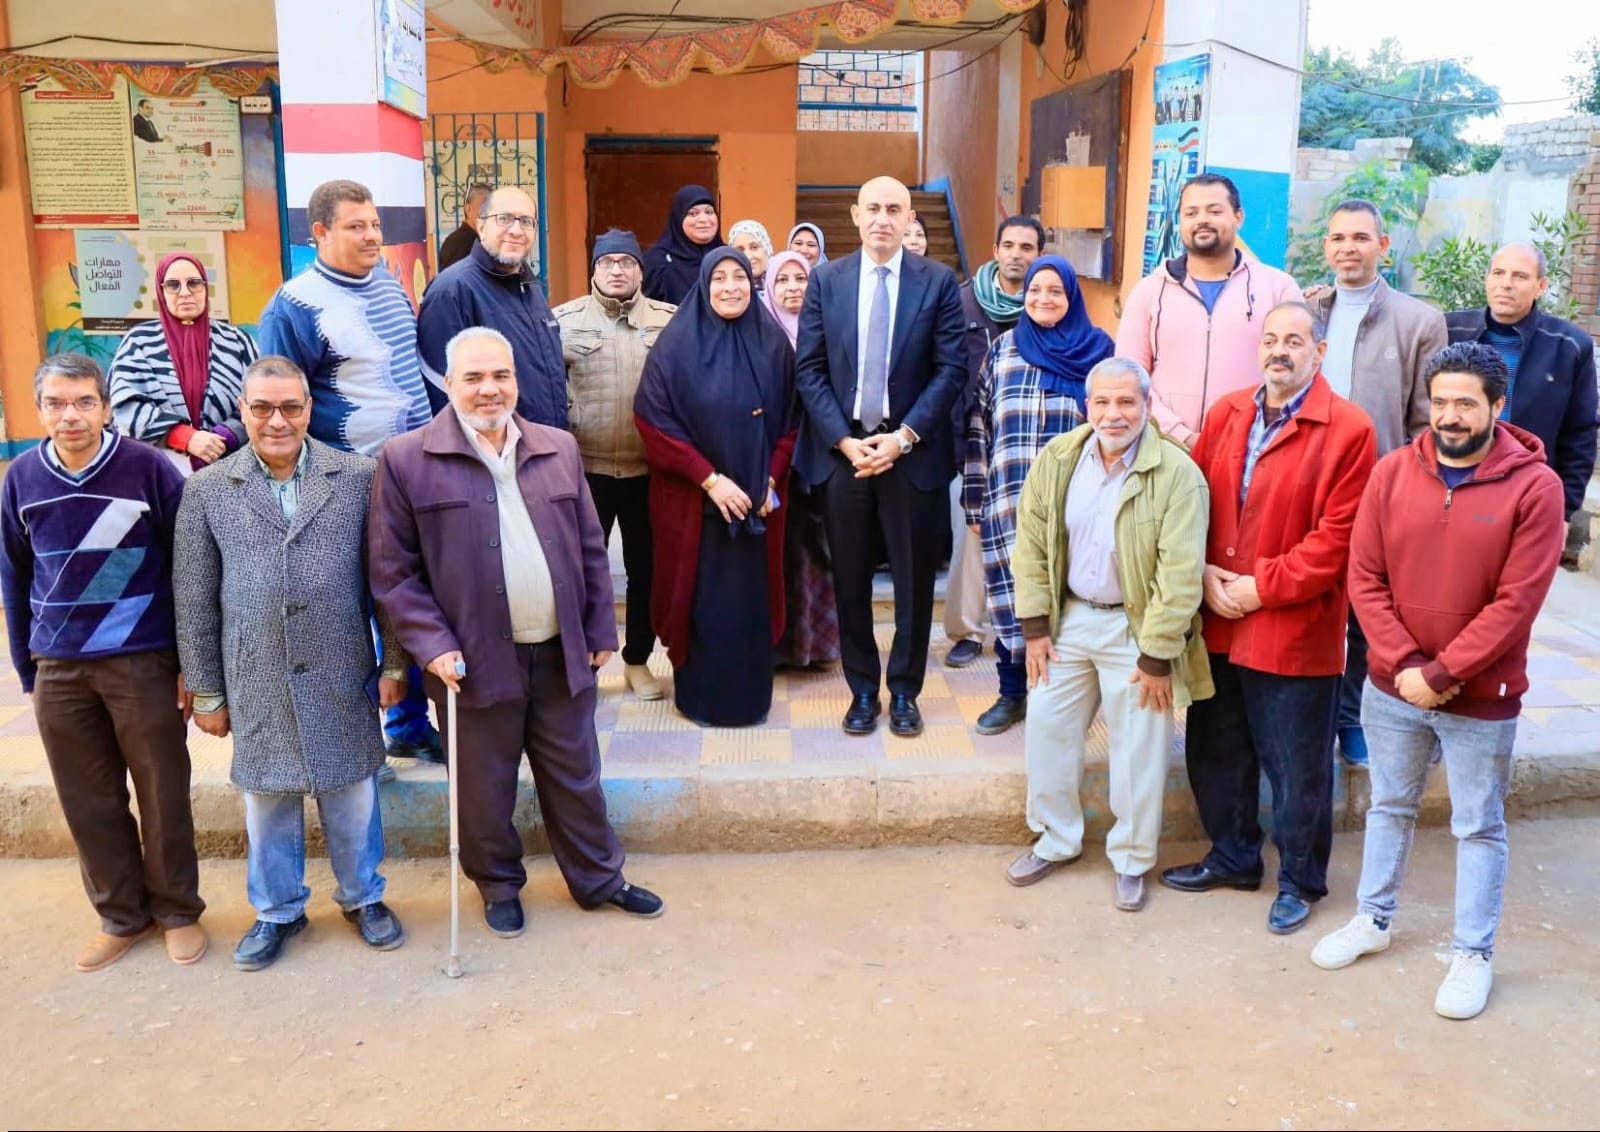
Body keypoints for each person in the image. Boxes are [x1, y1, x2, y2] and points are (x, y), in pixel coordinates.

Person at [369, 327, 663, 937]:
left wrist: (599, 627)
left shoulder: (558, 447)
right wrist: (433, 645)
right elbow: (394, 574)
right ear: (447, 383)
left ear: (517, 381)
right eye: (473, 377)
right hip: (469, 662)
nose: (489, 389)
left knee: (576, 775)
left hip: (560, 652)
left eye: (500, 375)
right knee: (483, 787)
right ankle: (498, 885)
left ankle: (599, 878)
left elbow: (590, 547)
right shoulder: (406, 460)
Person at [1311, 343, 1565, 1021]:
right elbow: (1365, 577)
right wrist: (1405, 666)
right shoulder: (1392, 472)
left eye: (1466, 403)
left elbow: (1517, 602)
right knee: (1389, 806)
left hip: (1481, 695)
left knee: (1478, 825)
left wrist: (1444, 673)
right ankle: (1373, 919)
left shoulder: (1536, 488)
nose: (1450, 416)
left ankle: (1473, 953)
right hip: (1393, 688)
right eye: (1441, 401)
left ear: (1498, 406)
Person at [173, 356, 408, 972]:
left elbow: (387, 581)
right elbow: (194, 598)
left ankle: (364, 897)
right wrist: (206, 692)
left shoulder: (357, 478)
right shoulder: (207, 490)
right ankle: (277, 910)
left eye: (290, 407)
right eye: (262, 408)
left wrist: (395, 664)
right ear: (243, 411)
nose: (276, 421)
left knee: (353, 791)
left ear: (308, 408)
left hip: (342, 670)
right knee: (267, 799)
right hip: (255, 674)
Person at [1160, 302, 1376, 936]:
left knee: (1296, 765)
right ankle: (1233, 857)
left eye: (1295, 341)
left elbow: (1338, 539)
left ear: (1320, 352)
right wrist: (1202, 572)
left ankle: (1301, 881)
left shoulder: (1349, 429)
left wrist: (1262, 588)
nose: (1280, 350)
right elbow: (1194, 500)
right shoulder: (1227, 412)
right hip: (1220, 614)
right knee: (1217, 749)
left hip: (1293, 623)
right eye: (1271, 339)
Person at [0, 353, 205, 972]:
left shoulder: (147, 468)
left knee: (163, 791)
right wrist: (29, 670)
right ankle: (122, 915)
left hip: (140, 660)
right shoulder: (21, 479)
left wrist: (188, 662)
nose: (71, 416)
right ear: (40, 411)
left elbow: (188, 566)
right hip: (59, 665)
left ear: (107, 408)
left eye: (84, 402)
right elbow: (14, 576)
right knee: (87, 799)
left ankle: (177, 911)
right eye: (57, 404)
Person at [1007, 358, 1211, 911]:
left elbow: (1181, 574)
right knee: (1046, 726)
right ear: (1087, 406)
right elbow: (1031, 544)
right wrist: (1035, 627)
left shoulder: (1177, 472)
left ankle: (1132, 859)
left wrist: (1157, 655)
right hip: (1070, 620)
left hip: (1136, 627)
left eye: (1126, 402)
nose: (1113, 414)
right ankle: (1055, 840)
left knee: (1139, 748)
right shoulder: (1059, 458)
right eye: (1102, 402)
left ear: (1146, 405)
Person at [259, 178, 439, 764]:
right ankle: (361, 739)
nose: (372, 236)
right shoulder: (294, 306)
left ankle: (412, 724)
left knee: (413, 596)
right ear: (319, 232)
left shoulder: (388, 282)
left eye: (375, 225)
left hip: (413, 475)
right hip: (345, 484)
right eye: (356, 226)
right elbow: (280, 405)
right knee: (353, 609)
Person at [794, 176, 967, 737]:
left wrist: (904, 437)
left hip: (909, 456)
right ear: (855, 214)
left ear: (910, 217)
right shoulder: (827, 280)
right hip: (846, 453)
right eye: (873, 208)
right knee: (850, 581)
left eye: (894, 209)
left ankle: (906, 691)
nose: (882, 219)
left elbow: (951, 370)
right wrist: (843, 441)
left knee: (914, 585)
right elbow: (809, 369)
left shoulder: (938, 282)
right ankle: (863, 690)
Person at [1306, 199, 1448, 768]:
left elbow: (1426, 421)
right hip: (1306, 483)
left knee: (1369, 611)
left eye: (1361, 238)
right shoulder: (1306, 311)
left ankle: (1352, 718)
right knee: (1312, 605)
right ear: (1326, 246)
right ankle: (1311, 719)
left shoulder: (1419, 321)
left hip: (1381, 488)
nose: (1348, 248)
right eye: (1338, 238)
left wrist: (1415, 490)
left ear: (1382, 246)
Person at [635, 248, 798, 726]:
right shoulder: (675, 346)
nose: (730, 287)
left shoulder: (773, 344)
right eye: (719, 278)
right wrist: (710, 479)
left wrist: (769, 478)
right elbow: (653, 420)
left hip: (758, 507)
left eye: (739, 277)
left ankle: (751, 700)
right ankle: (700, 700)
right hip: (695, 508)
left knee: (750, 608)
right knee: (702, 606)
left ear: (752, 284)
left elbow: (793, 420)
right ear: (703, 286)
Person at [963, 256, 1112, 735]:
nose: (1043, 299)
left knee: (1068, 600)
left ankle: (1059, 698)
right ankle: (1011, 694)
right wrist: (973, 498)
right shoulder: (1003, 350)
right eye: (1034, 290)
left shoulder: (1099, 353)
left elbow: (1114, 430)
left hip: (1076, 509)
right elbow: (979, 425)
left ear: (1072, 297)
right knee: (1012, 596)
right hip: (1008, 501)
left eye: (1055, 291)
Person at [553, 229, 677, 701]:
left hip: (649, 471)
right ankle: (583, 661)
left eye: (627, 262)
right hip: (587, 470)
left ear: (641, 271)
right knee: (583, 571)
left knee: (647, 570)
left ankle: (638, 661)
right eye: (607, 263)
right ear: (594, 270)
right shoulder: (564, 321)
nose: (617, 270)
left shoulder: (669, 320)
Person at [1115, 173, 1302, 448]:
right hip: (1165, 448)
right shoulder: (1150, 291)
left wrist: (1258, 432)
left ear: (1238, 217)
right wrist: (1179, 435)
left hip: (1252, 447)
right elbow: (1129, 375)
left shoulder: (1277, 288)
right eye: (1191, 213)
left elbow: (1298, 371)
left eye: (1214, 211)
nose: (1202, 220)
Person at [1446, 242, 1597, 568]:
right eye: (1498, 273)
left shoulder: (1569, 346)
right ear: (1486, 278)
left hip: (1525, 496)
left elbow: (1580, 434)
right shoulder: (1450, 330)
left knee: (1515, 587)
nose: (1506, 284)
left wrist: (1565, 511)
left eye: (1520, 276)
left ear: (1541, 286)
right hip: (1452, 485)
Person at [946, 216, 1045, 671]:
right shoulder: (962, 301)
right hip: (971, 442)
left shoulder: (1046, 303)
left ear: (1039, 255)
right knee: (971, 538)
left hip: (1030, 440)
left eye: (1027, 247)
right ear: (995, 250)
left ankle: (1026, 629)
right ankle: (967, 631)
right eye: (1009, 245)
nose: (1016, 255)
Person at [418, 185, 568, 428]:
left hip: (542, 443)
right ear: (480, 226)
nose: (516, 230)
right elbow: (442, 392)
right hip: (494, 447)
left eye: (526, 221)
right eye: (504, 219)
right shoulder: (452, 291)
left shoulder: (530, 286)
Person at [109, 252, 259, 473]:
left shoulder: (237, 342)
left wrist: (224, 437)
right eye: (173, 285)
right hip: (158, 472)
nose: (185, 292)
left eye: (194, 283)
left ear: (205, 287)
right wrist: (183, 437)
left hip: (230, 470)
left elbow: (260, 400)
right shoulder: (139, 342)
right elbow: (124, 405)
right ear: (161, 292)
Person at [762, 251, 840, 670]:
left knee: (820, 558)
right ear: (768, 287)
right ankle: (781, 646)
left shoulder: (829, 330)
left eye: (801, 279)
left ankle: (818, 648)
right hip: (776, 467)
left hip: (823, 462)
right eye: (783, 280)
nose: (793, 288)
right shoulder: (759, 337)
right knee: (781, 558)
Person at [642, 185, 724, 304]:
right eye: (693, 213)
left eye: (709, 212)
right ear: (679, 218)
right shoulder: (658, 261)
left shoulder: (727, 256)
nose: (704, 219)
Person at [437, 182, 491, 272]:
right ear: (468, 209)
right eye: (483, 208)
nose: (488, 213)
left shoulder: (476, 240)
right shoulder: (462, 243)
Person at [728, 219, 774, 291]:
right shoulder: (729, 290)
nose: (748, 257)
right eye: (740, 250)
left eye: (754, 247)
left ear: (766, 249)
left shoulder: (781, 286)